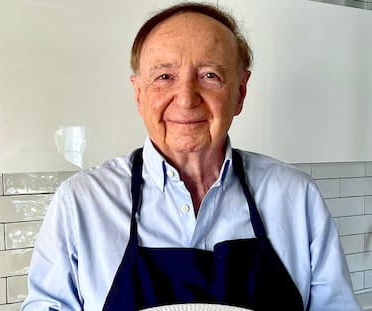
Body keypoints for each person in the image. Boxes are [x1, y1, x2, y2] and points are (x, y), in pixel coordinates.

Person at [21, 2, 361, 310]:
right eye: (164, 77)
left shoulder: (297, 198)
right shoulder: (81, 204)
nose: (185, 99)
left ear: (239, 93)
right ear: (139, 94)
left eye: (209, 76)